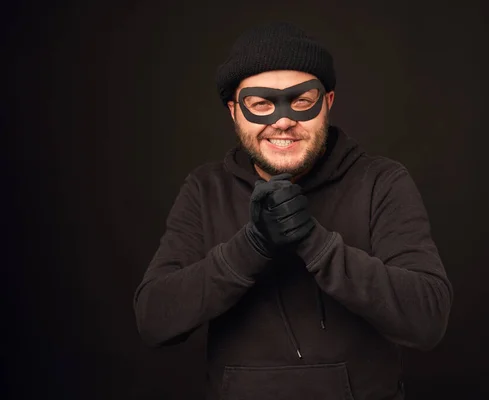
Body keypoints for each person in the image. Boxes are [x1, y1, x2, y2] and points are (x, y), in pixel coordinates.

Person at [133, 21, 453, 400]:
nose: (282, 120)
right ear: (235, 111)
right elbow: (154, 321)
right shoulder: (205, 190)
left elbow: (428, 319)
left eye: (301, 102)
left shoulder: (381, 181)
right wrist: (252, 246)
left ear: (327, 103)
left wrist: (316, 244)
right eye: (261, 104)